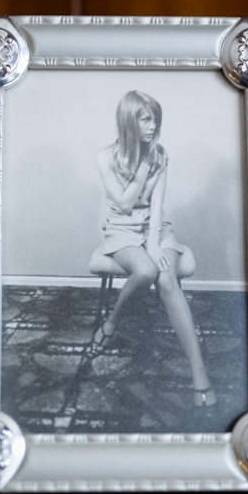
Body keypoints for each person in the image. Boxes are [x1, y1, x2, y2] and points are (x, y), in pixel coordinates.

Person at [93, 90, 216, 407]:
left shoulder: (161, 154)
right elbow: (123, 203)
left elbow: (157, 207)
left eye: (154, 119)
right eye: (145, 119)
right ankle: (112, 322)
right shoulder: (105, 157)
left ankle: (198, 372)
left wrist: (154, 242)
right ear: (128, 121)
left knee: (164, 278)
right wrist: (145, 166)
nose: (152, 126)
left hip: (156, 227)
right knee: (146, 270)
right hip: (119, 228)